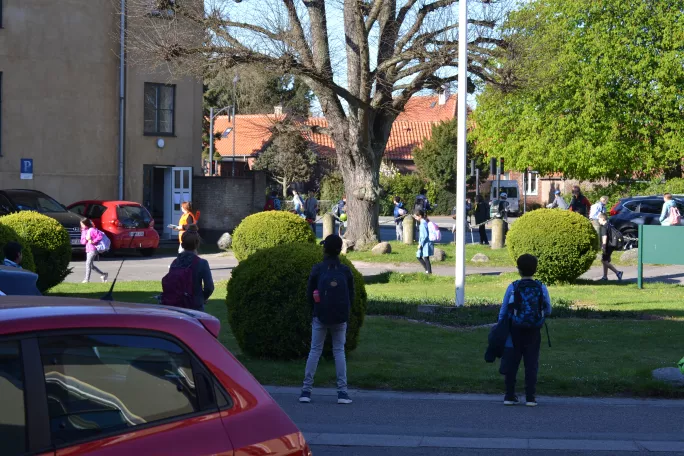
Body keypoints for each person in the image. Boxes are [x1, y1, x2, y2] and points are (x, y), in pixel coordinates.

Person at [299, 234, 354, 405]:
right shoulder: (345, 271)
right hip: (340, 317)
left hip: (320, 315)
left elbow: (309, 294)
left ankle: (306, 390)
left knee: (315, 350)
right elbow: (351, 296)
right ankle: (342, 392)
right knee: (339, 351)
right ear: (339, 250)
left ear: (325, 249)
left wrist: (315, 310)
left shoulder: (317, 269)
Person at [499, 254, 552, 407]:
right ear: (535, 269)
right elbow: (548, 308)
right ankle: (530, 397)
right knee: (531, 363)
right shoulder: (541, 286)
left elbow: (503, 310)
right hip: (534, 330)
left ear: (518, 269)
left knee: (512, 362)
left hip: (514, 329)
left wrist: (500, 326)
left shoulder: (513, 286)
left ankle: (509, 395)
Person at [162, 227, 214, 311]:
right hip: (194, 306)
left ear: (182, 245)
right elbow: (209, 287)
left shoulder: (175, 262)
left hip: (176, 306)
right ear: (197, 244)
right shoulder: (202, 263)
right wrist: (202, 298)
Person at [80, 218, 108, 284]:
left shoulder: (92, 230)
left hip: (93, 249)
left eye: (82, 224)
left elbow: (100, 236)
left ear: (86, 224)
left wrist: (93, 241)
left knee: (88, 264)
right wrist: (86, 240)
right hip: (88, 249)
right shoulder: (84, 231)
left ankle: (86, 280)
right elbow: (83, 241)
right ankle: (103, 274)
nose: (81, 225)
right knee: (91, 265)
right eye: (81, 224)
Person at [597, 213, 623, 281]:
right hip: (611, 245)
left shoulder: (604, 227)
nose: (598, 220)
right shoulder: (610, 224)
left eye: (599, 219)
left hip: (608, 245)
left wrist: (603, 246)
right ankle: (605, 277)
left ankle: (618, 272)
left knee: (603, 261)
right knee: (606, 260)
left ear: (603, 219)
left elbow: (604, 237)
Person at [413, 209, 434, 274]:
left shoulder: (422, 224)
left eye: (416, 217)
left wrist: (420, 244)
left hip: (425, 243)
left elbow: (424, 236)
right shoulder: (424, 222)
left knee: (424, 257)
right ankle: (427, 271)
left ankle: (429, 272)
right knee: (421, 256)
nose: (415, 218)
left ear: (420, 216)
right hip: (425, 242)